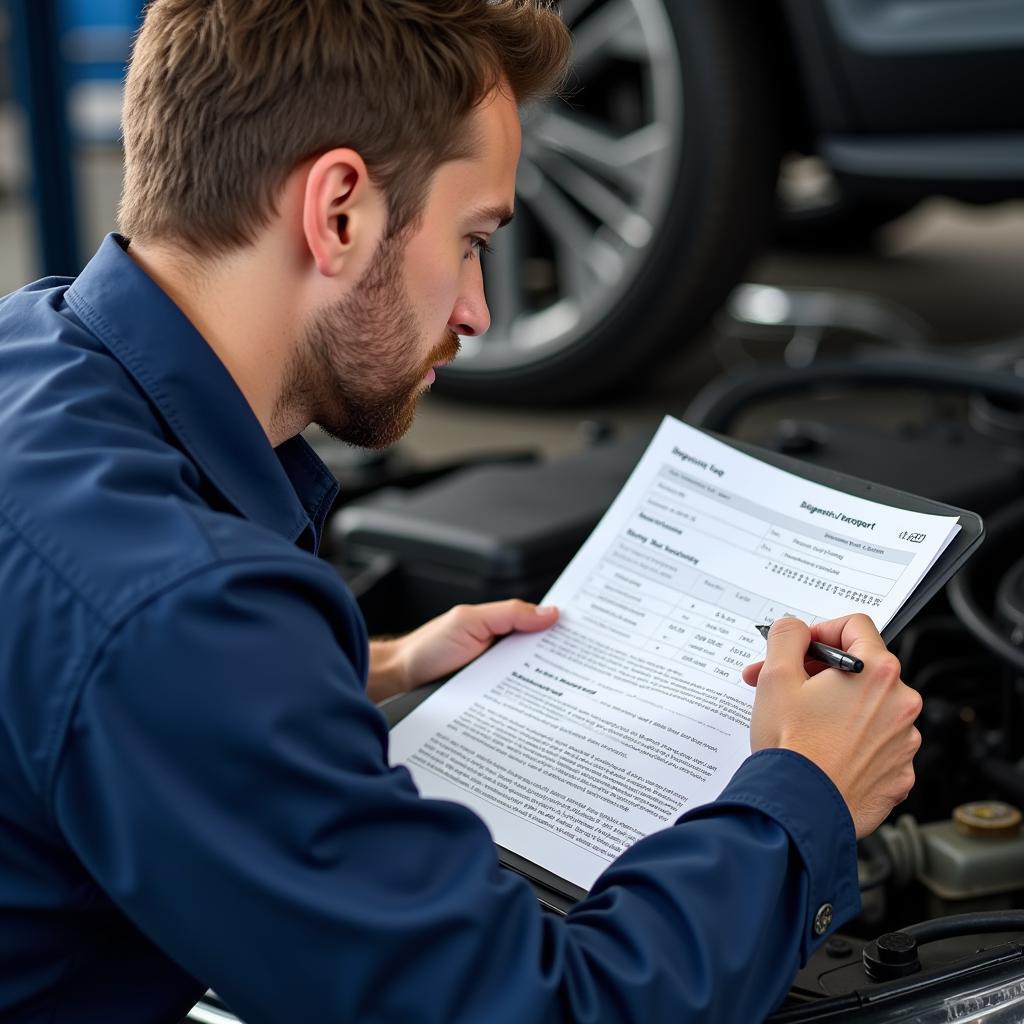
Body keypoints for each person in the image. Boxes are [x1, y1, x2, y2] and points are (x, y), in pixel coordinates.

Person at [0, 1, 922, 1021]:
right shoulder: (178, 612)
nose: (479, 311)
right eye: (475, 238)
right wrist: (802, 793)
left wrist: (374, 666)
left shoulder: (31, 351)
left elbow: (70, 677)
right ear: (339, 209)